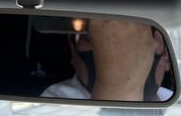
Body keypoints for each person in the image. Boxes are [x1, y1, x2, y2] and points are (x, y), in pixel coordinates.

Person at [41, 19, 173, 102]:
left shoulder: (179, 103)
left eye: (132, 38)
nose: (113, 48)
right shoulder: (53, 101)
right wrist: (117, 89)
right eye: (89, 37)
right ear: (72, 50)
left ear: (166, 56)